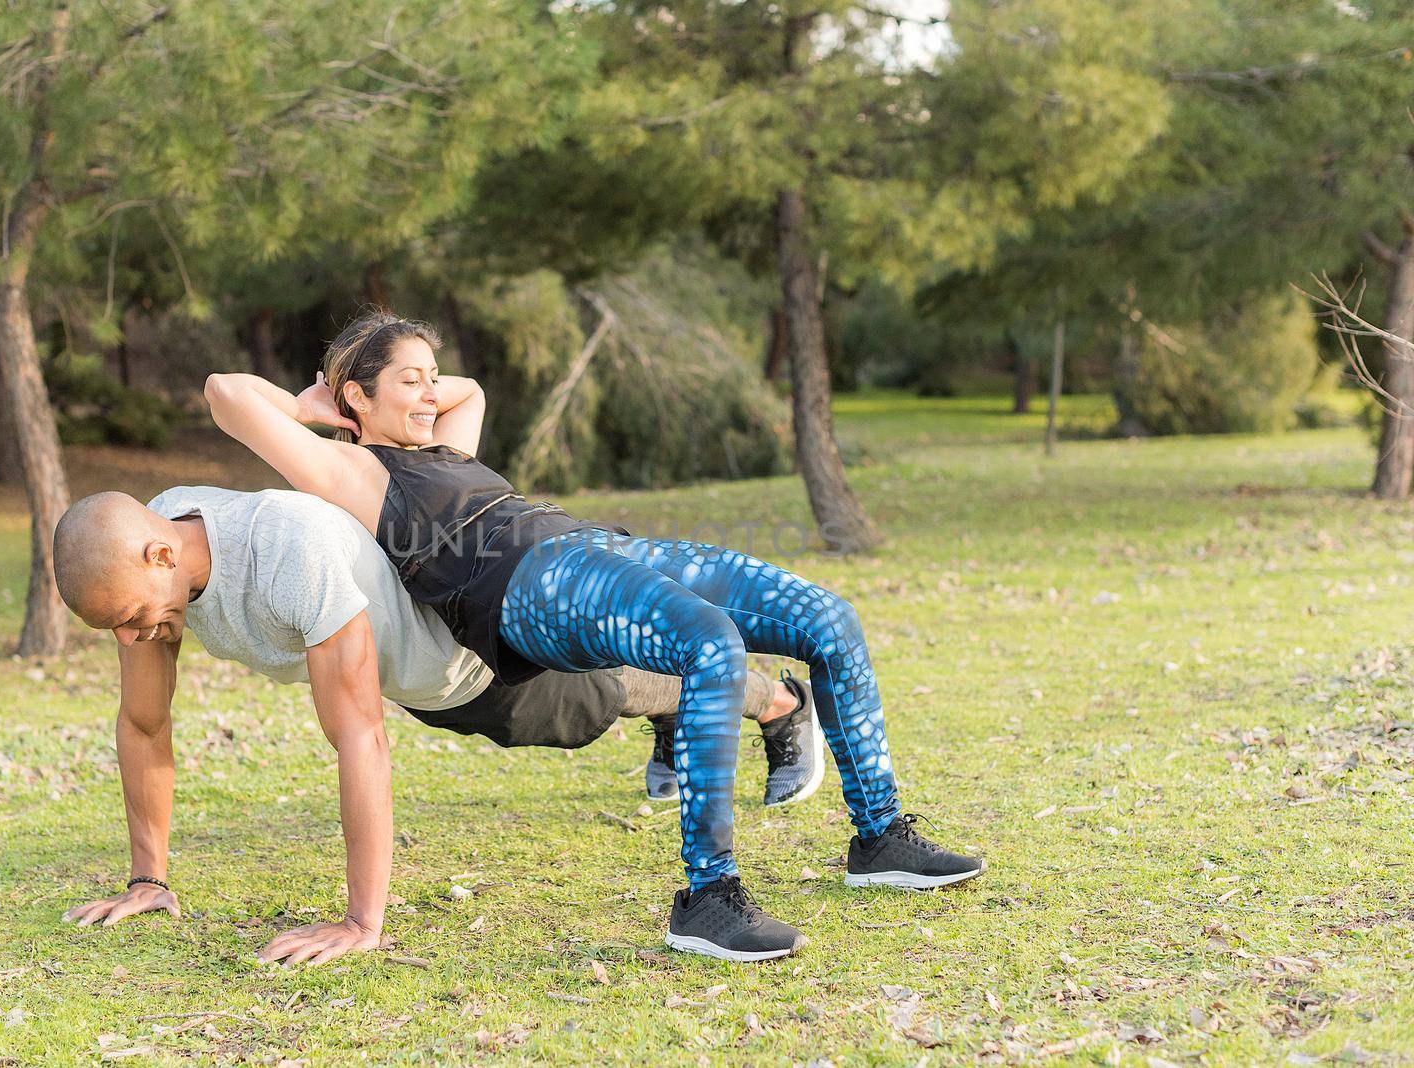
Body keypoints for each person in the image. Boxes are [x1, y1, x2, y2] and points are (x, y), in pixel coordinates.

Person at [204, 312, 987, 962]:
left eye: (429, 377)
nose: (431, 393)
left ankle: (880, 839)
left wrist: (411, 384)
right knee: (709, 644)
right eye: (410, 381)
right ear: (355, 398)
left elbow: (467, 390)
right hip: (524, 589)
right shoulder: (358, 475)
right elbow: (227, 393)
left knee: (827, 619)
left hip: (591, 545)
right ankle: (707, 899)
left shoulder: (444, 449)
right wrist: (319, 410)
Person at [50, 485, 811, 966]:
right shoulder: (160, 545)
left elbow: (359, 738)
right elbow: (144, 725)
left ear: (159, 554)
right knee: (606, 696)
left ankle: (778, 702)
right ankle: (685, 710)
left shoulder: (288, 553)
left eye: (126, 619)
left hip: (475, 657)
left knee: (599, 698)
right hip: (414, 672)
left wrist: (360, 922)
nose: (130, 639)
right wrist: (149, 881)